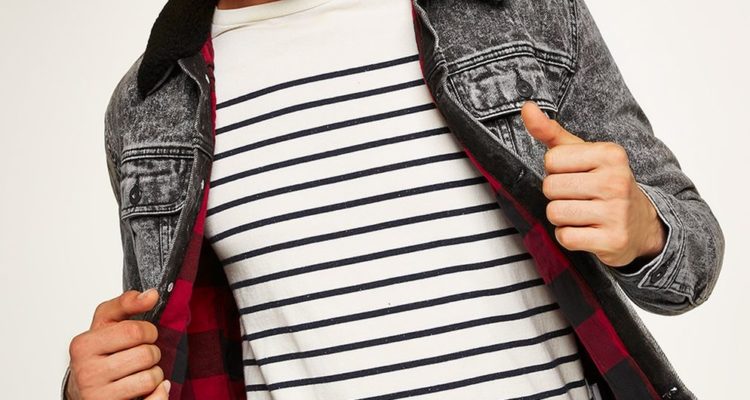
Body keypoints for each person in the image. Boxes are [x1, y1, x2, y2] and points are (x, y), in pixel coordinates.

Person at [62, 0, 725, 399]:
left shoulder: (515, 14)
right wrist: (90, 388)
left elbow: (693, 262)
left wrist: (644, 229)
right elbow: (160, 353)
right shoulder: (151, 105)